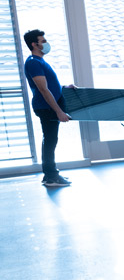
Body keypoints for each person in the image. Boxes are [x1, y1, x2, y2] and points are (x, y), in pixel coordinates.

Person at [23, 29, 75, 187]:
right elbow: (43, 89)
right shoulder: (33, 62)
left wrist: (64, 87)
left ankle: (50, 175)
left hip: (49, 106)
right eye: (43, 41)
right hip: (46, 107)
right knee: (50, 140)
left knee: (51, 139)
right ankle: (51, 176)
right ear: (34, 44)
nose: (46, 44)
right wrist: (59, 111)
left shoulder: (40, 61)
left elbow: (50, 86)